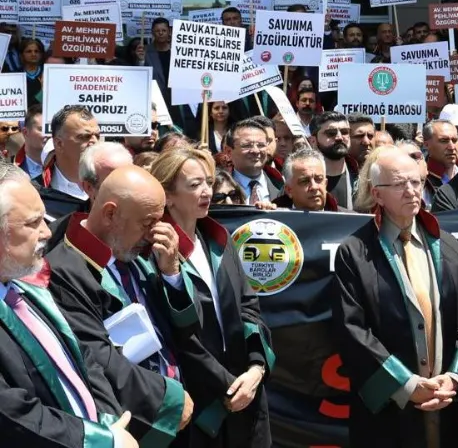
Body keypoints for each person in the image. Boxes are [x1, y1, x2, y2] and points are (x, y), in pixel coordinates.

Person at [331, 149, 458, 447]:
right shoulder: (355, 252)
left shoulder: (447, 245)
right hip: (389, 411)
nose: (412, 192)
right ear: (377, 194)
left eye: (417, 182)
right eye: (400, 184)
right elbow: (352, 329)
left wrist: (453, 378)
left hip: (446, 402)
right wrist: (407, 385)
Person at [45, 167, 194, 446]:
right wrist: (167, 397)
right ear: (110, 213)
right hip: (135, 420)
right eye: (147, 222)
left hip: (180, 408)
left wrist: (171, 272)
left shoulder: (142, 250)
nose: (154, 233)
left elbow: (187, 327)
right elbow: (95, 354)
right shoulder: (64, 269)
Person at [0, 163, 141, 447]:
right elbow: (10, 413)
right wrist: (100, 441)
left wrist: (109, 421)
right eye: (32, 223)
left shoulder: (28, 290)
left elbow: (83, 359)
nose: (47, 233)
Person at [149, 148, 273, 448]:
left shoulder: (218, 239)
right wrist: (227, 385)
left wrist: (256, 369)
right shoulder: (153, 253)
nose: (207, 191)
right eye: (194, 185)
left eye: (208, 182)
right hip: (202, 405)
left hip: (247, 394)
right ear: (168, 194)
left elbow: (249, 308)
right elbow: (178, 336)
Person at [46, 141, 134, 253]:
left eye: (131, 179)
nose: (129, 188)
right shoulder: (60, 238)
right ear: (89, 187)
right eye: (117, 183)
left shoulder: (150, 228)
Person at [40, 105, 100, 200]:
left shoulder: (110, 186)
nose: (95, 142)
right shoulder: (36, 191)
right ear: (59, 144)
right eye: (85, 137)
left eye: (97, 136)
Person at [228, 119, 284, 204]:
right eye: (247, 145)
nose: (256, 151)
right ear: (229, 151)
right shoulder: (217, 190)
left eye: (261, 145)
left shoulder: (282, 188)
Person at [311, 112, 358, 211]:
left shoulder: (361, 179)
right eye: (331, 133)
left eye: (345, 132)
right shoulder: (303, 180)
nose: (339, 137)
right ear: (313, 141)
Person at [422, 120, 458, 205]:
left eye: (454, 140)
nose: (452, 147)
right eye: (444, 141)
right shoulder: (421, 178)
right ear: (426, 145)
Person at [16, 104, 45, 179]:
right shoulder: (10, 168)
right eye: (42, 129)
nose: (49, 134)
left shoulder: (68, 167)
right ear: (25, 132)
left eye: (51, 129)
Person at [21, 38, 45, 106]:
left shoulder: (46, 73)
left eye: (36, 51)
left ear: (41, 54)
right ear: (22, 54)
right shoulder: (15, 75)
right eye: (29, 51)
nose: (33, 54)